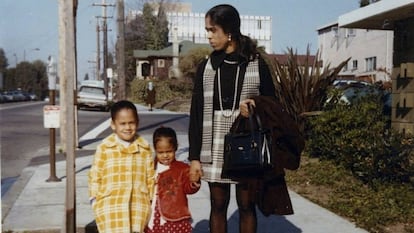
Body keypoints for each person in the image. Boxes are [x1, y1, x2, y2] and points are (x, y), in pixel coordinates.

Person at [188, 4, 278, 233]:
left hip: (246, 142)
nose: (208, 36)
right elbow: (196, 114)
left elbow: (273, 104)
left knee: (247, 206)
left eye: (212, 30)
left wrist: (254, 106)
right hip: (214, 143)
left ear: (229, 32)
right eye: (207, 30)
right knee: (218, 205)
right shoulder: (206, 67)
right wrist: (194, 158)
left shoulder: (256, 63)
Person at [88, 100, 155, 233]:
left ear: (137, 122)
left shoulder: (144, 148)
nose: (127, 127)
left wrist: (151, 201)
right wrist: (94, 201)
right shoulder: (104, 148)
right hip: (110, 209)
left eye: (131, 123)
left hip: (137, 208)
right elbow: (95, 176)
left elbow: (150, 177)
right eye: (122, 124)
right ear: (113, 125)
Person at [144, 126, 201, 233]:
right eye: (160, 152)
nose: (165, 155)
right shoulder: (150, 167)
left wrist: (195, 181)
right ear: (155, 150)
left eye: (169, 151)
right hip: (152, 216)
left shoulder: (182, 169)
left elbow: (189, 188)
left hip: (175, 218)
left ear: (176, 148)